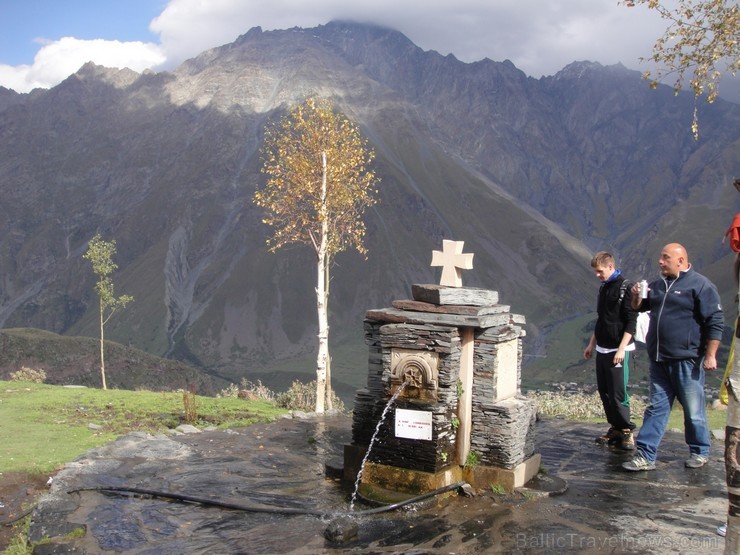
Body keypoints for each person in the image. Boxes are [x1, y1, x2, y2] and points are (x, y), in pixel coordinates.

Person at [622, 243, 724, 472]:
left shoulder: (700, 285)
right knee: (656, 407)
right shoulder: (657, 286)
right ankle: (646, 455)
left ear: (680, 260)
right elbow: (640, 308)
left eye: (665, 258)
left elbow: (715, 321)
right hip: (659, 359)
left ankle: (700, 451)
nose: (660, 261)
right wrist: (637, 297)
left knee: (693, 409)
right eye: (660, 257)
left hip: (686, 359)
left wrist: (710, 355)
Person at [583, 251, 638, 450]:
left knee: (617, 392)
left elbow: (631, 322)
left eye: (600, 271)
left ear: (610, 267)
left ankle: (626, 431)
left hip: (618, 349)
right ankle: (615, 427)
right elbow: (602, 319)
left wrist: (621, 349)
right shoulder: (604, 288)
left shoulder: (627, 287)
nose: (597, 275)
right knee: (605, 391)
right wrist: (591, 344)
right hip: (602, 348)